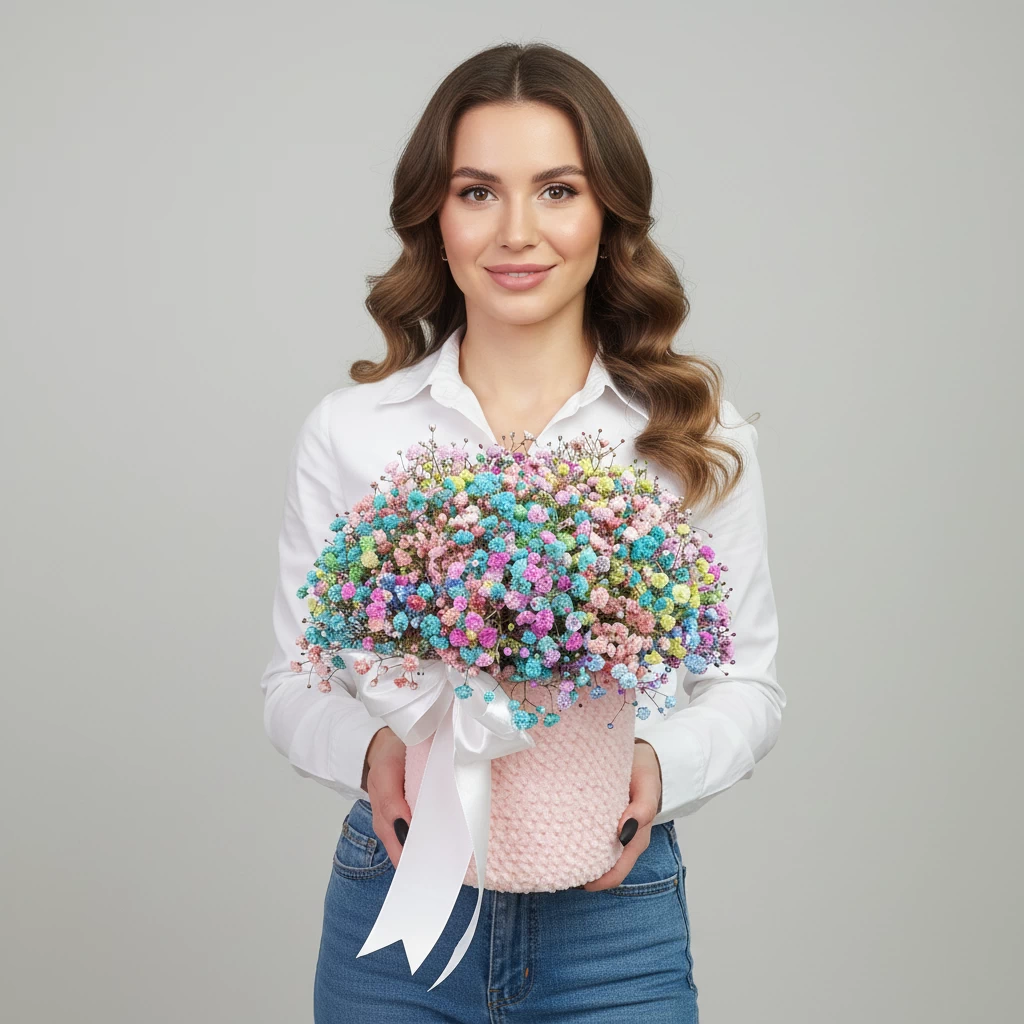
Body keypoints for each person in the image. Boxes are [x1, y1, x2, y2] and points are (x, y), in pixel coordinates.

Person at [260, 41, 785, 1023]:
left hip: (611, 918)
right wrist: (373, 753)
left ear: (608, 214)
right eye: (477, 192)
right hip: (401, 892)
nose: (516, 232)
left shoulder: (693, 435)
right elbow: (294, 681)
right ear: (435, 217)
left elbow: (747, 683)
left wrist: (655, 769)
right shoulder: (352, 431)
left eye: (556, 190)